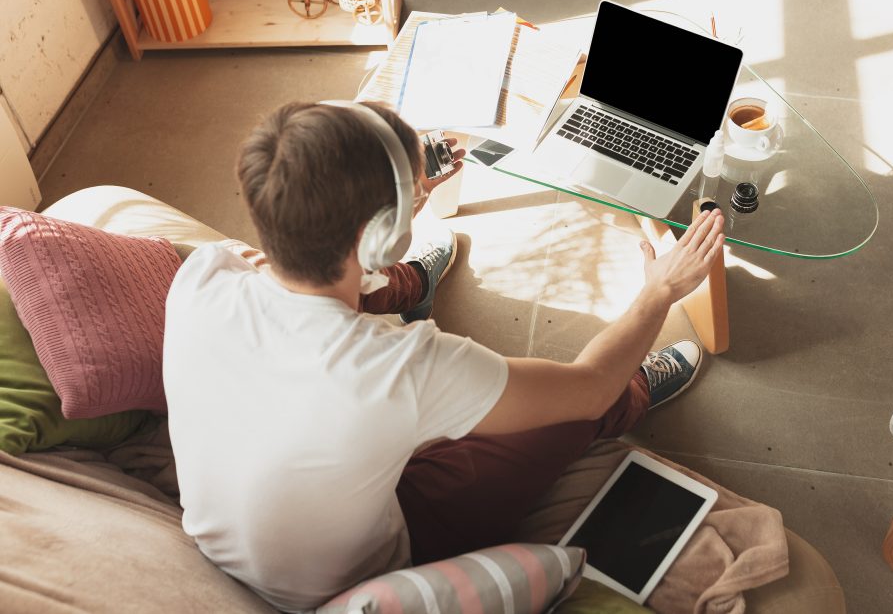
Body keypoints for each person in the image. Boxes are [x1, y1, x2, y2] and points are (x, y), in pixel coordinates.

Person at [163, 100, 725, 613]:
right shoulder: (402, 367)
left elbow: (305, 269)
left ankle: (411, 286)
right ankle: (638, 393)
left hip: (250, 543)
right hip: (353, 573)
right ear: (377, 235)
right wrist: (660, 290)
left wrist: (396, 187)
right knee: (573, 412)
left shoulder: (203, 274)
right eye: (409, 199)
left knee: (328, 292)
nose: (418, 200)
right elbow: (589, 382)